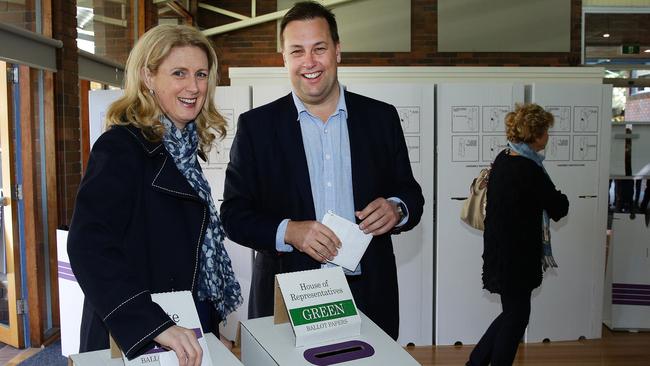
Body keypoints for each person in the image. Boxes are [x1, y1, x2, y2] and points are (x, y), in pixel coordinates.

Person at [220, 1, 424, 340]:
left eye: (319, 48)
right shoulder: (256, 127)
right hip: (288, 298)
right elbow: (233, 214)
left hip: (368, 295)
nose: (309, 62)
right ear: (284, 59)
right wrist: (290, 232)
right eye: (297, 51)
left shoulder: (381, 118)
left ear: (338, 51)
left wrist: (397, 207)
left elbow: (410, 193)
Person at [67, 24, 242, 364]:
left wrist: (209, 323)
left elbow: (195, 259)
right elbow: (88, 244)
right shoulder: (122, 147)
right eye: (179, 73)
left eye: (201, 74)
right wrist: (153, 323)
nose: (193, 87)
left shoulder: (184, 151)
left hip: (185, 323)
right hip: (141, 334)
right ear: (148, 77)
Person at [467, 104, 569, 366]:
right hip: (517, 258)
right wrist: (559, 196)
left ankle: (476, 362)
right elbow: (559, 207)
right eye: (546, 131)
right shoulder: (529, 169)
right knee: (516, 317)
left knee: (512, 313)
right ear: (535, 134)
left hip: (500, 253)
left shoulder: (504, 158)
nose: (548, 136)